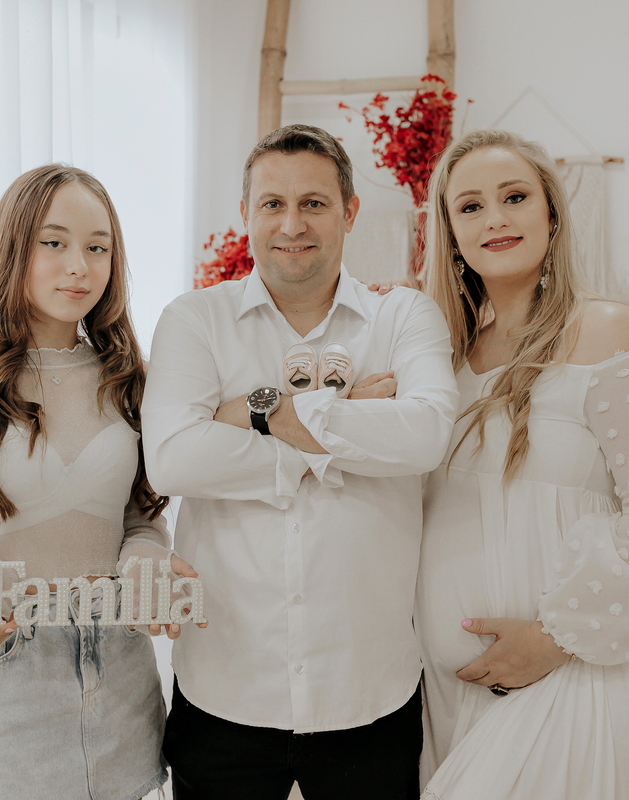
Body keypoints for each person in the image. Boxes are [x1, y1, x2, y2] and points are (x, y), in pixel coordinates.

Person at [142, 123, 459, 800]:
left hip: (369, 690)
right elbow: (171, 461)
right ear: (246, 213)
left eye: (313, 203)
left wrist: (261, 413)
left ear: (349, 211)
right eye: (273, 204)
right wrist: (345, 428)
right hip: (224, 687)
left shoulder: (403, 316)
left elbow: (427, 435)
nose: (292, 224)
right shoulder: (194, 320)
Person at [0, 164, 197, 800]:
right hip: (5, 666)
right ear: (13, 247)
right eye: (54, 243)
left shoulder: (136, 382)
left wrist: (144, 561)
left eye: (98, 247)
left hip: (120, 662)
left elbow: (140, 518)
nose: (79, 266)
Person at [412, 129, 629, 799]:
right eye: (470, 206)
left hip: (580, 678)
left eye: (515, 197)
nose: (495, 218)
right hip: (455, 701)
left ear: (551, 212)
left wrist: (554, 639)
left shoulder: (609, 332)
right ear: (451, 234)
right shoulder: (442, 365)